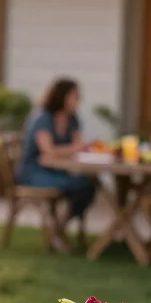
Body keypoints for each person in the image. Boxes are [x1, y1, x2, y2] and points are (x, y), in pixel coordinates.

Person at [17, 78, 97, 224]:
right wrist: (77, 148)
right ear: (62, 96)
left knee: (89, 186)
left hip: (56, 170)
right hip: (34, 171)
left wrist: (82, 148)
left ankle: (60, 224)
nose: (78, 100)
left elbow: (77, 146)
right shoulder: (44, 118)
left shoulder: (72, 119)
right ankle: (56, 227)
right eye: (75, 96)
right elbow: (48, 151)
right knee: (80, 185)